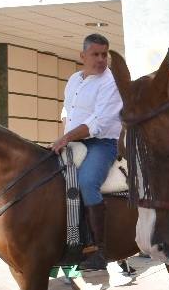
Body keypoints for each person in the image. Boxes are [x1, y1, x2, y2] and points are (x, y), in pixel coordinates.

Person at [52, 33, 123, 272]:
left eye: (104, 54)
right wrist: (66, 135)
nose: (101, 59)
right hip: (73, 141)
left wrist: (66, 137)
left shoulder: (110, 83)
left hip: (102, 143)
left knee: (87, 182)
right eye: (96, 54)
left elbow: (98, 123)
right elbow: (67, 111)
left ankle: (98, 249)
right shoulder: (74, 79)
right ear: (83, 56)